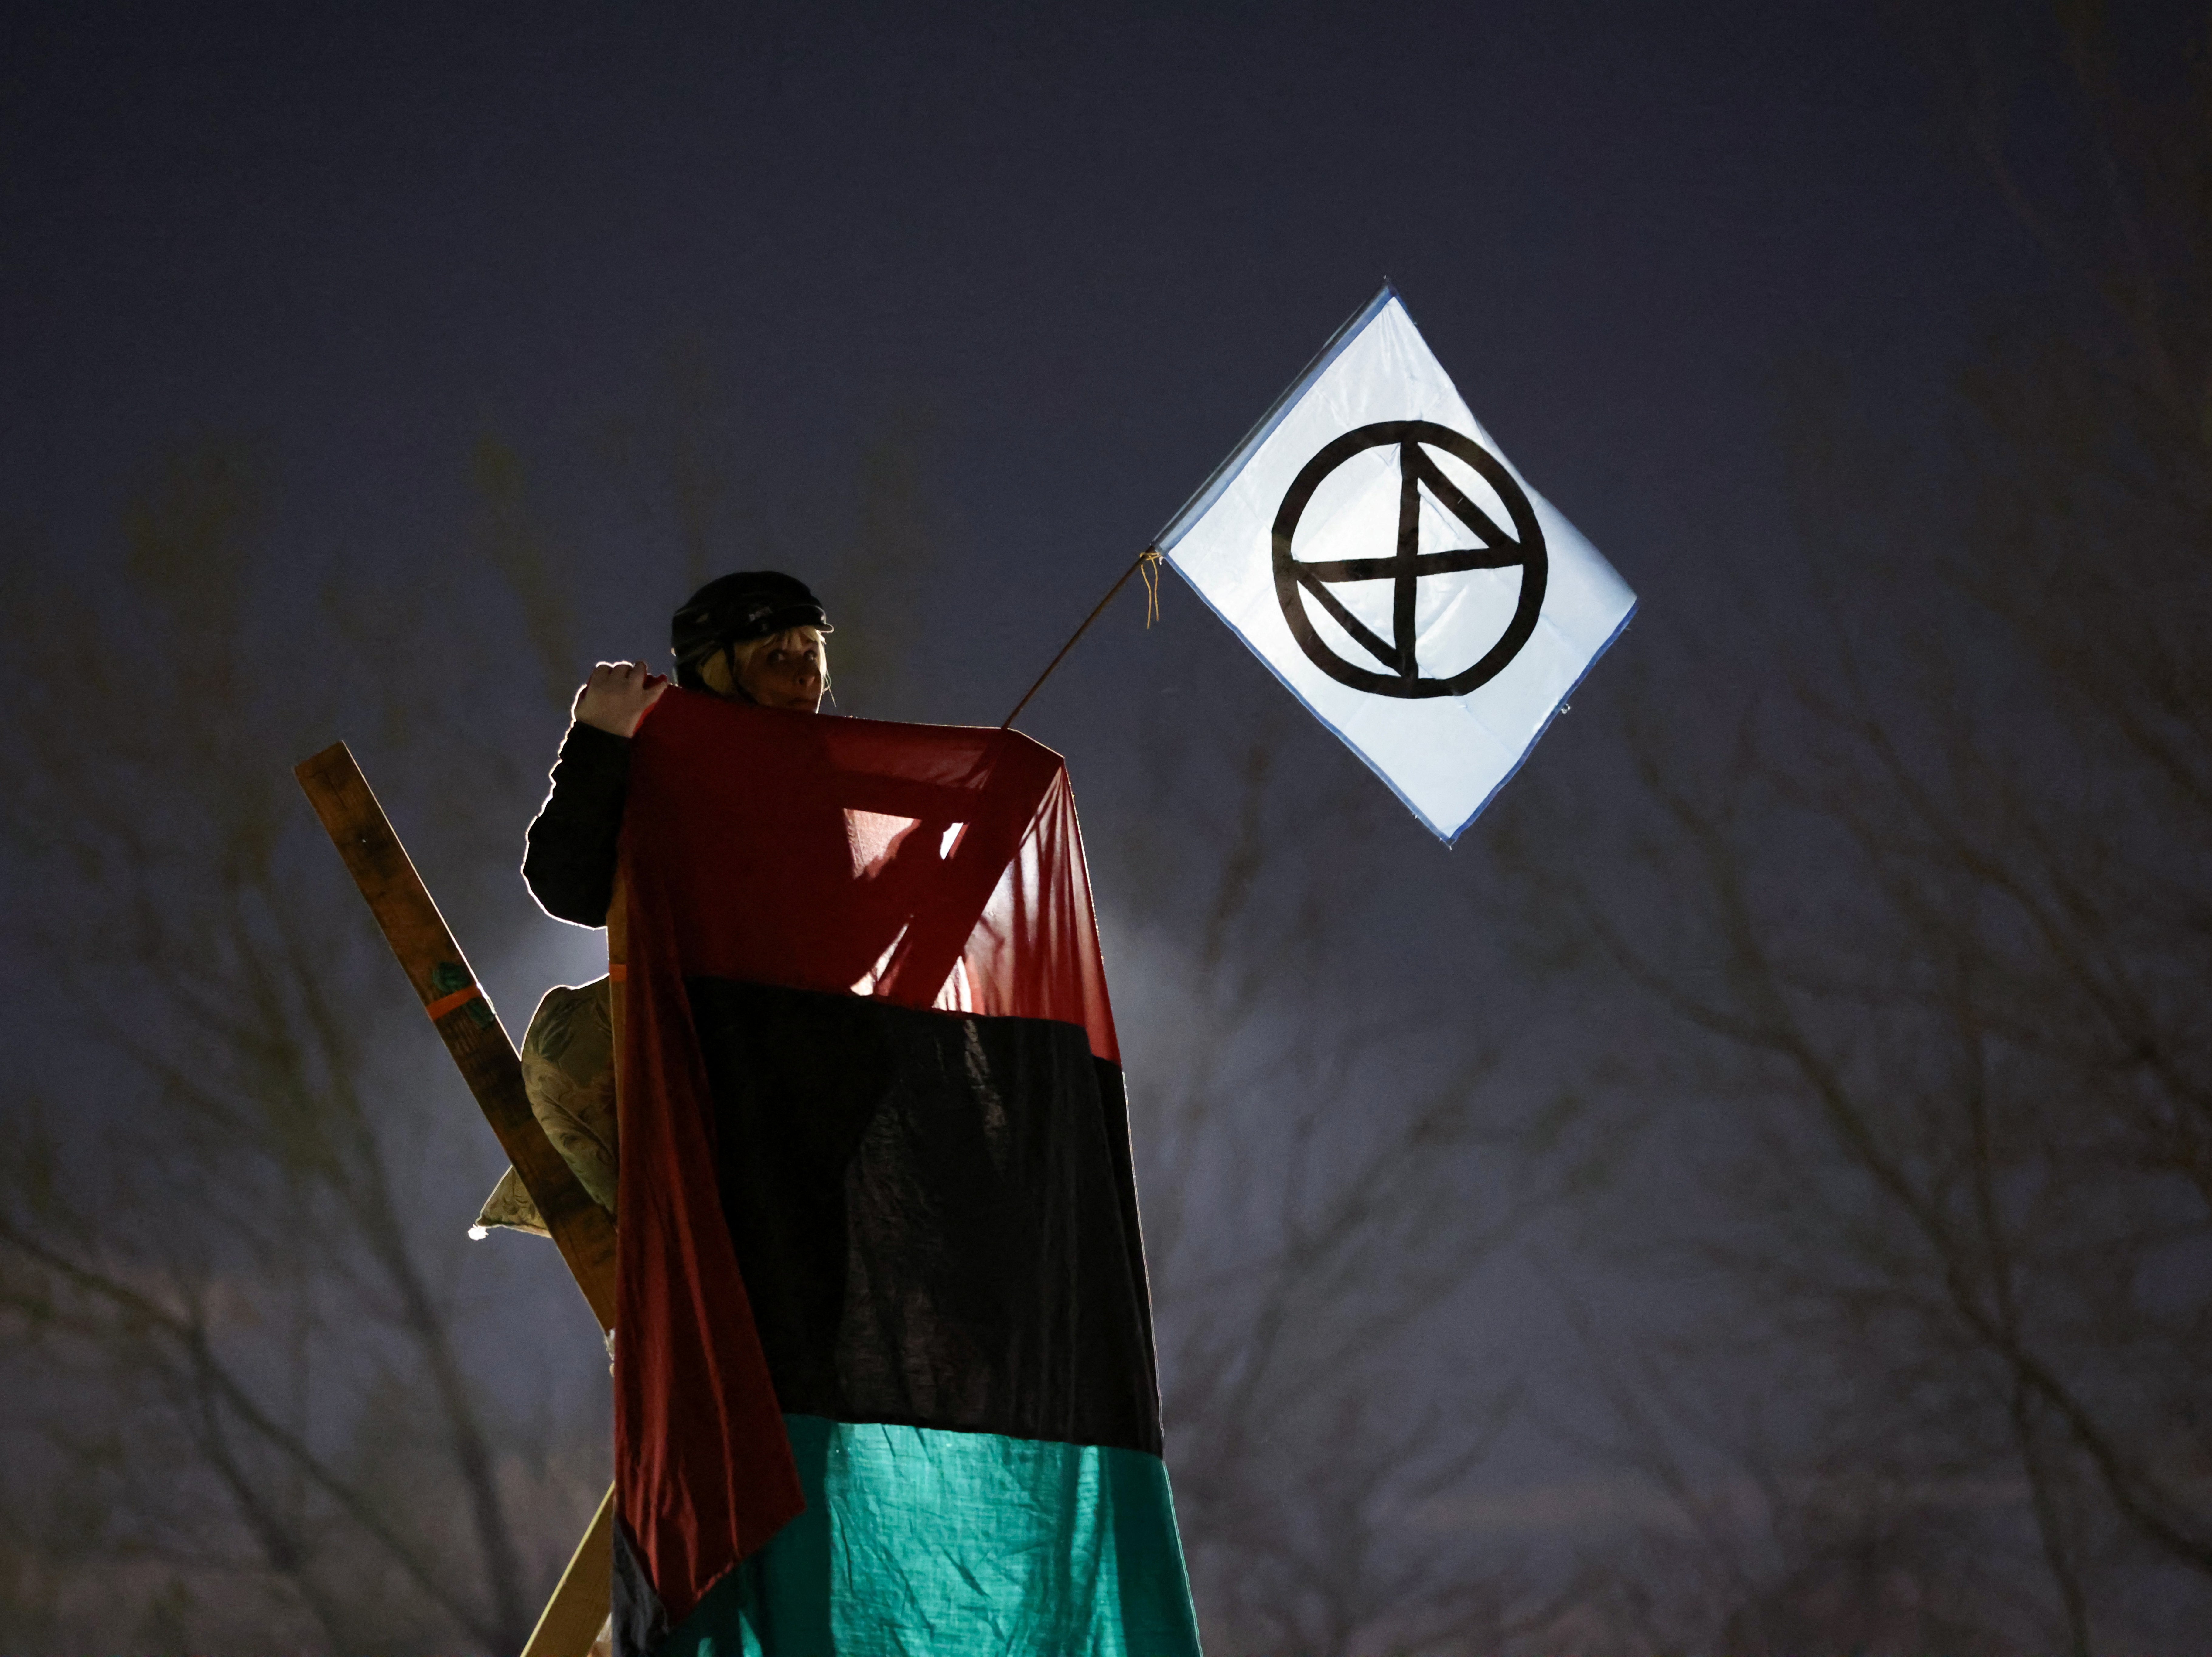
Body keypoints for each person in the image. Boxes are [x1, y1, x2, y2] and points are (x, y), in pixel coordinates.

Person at [523, 570, 832, 928]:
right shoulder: (666, 773)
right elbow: (572, 892)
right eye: (776, 657)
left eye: (811, 654)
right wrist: (600, 742)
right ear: (716, 671)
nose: (807, 675)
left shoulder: (831, 780)